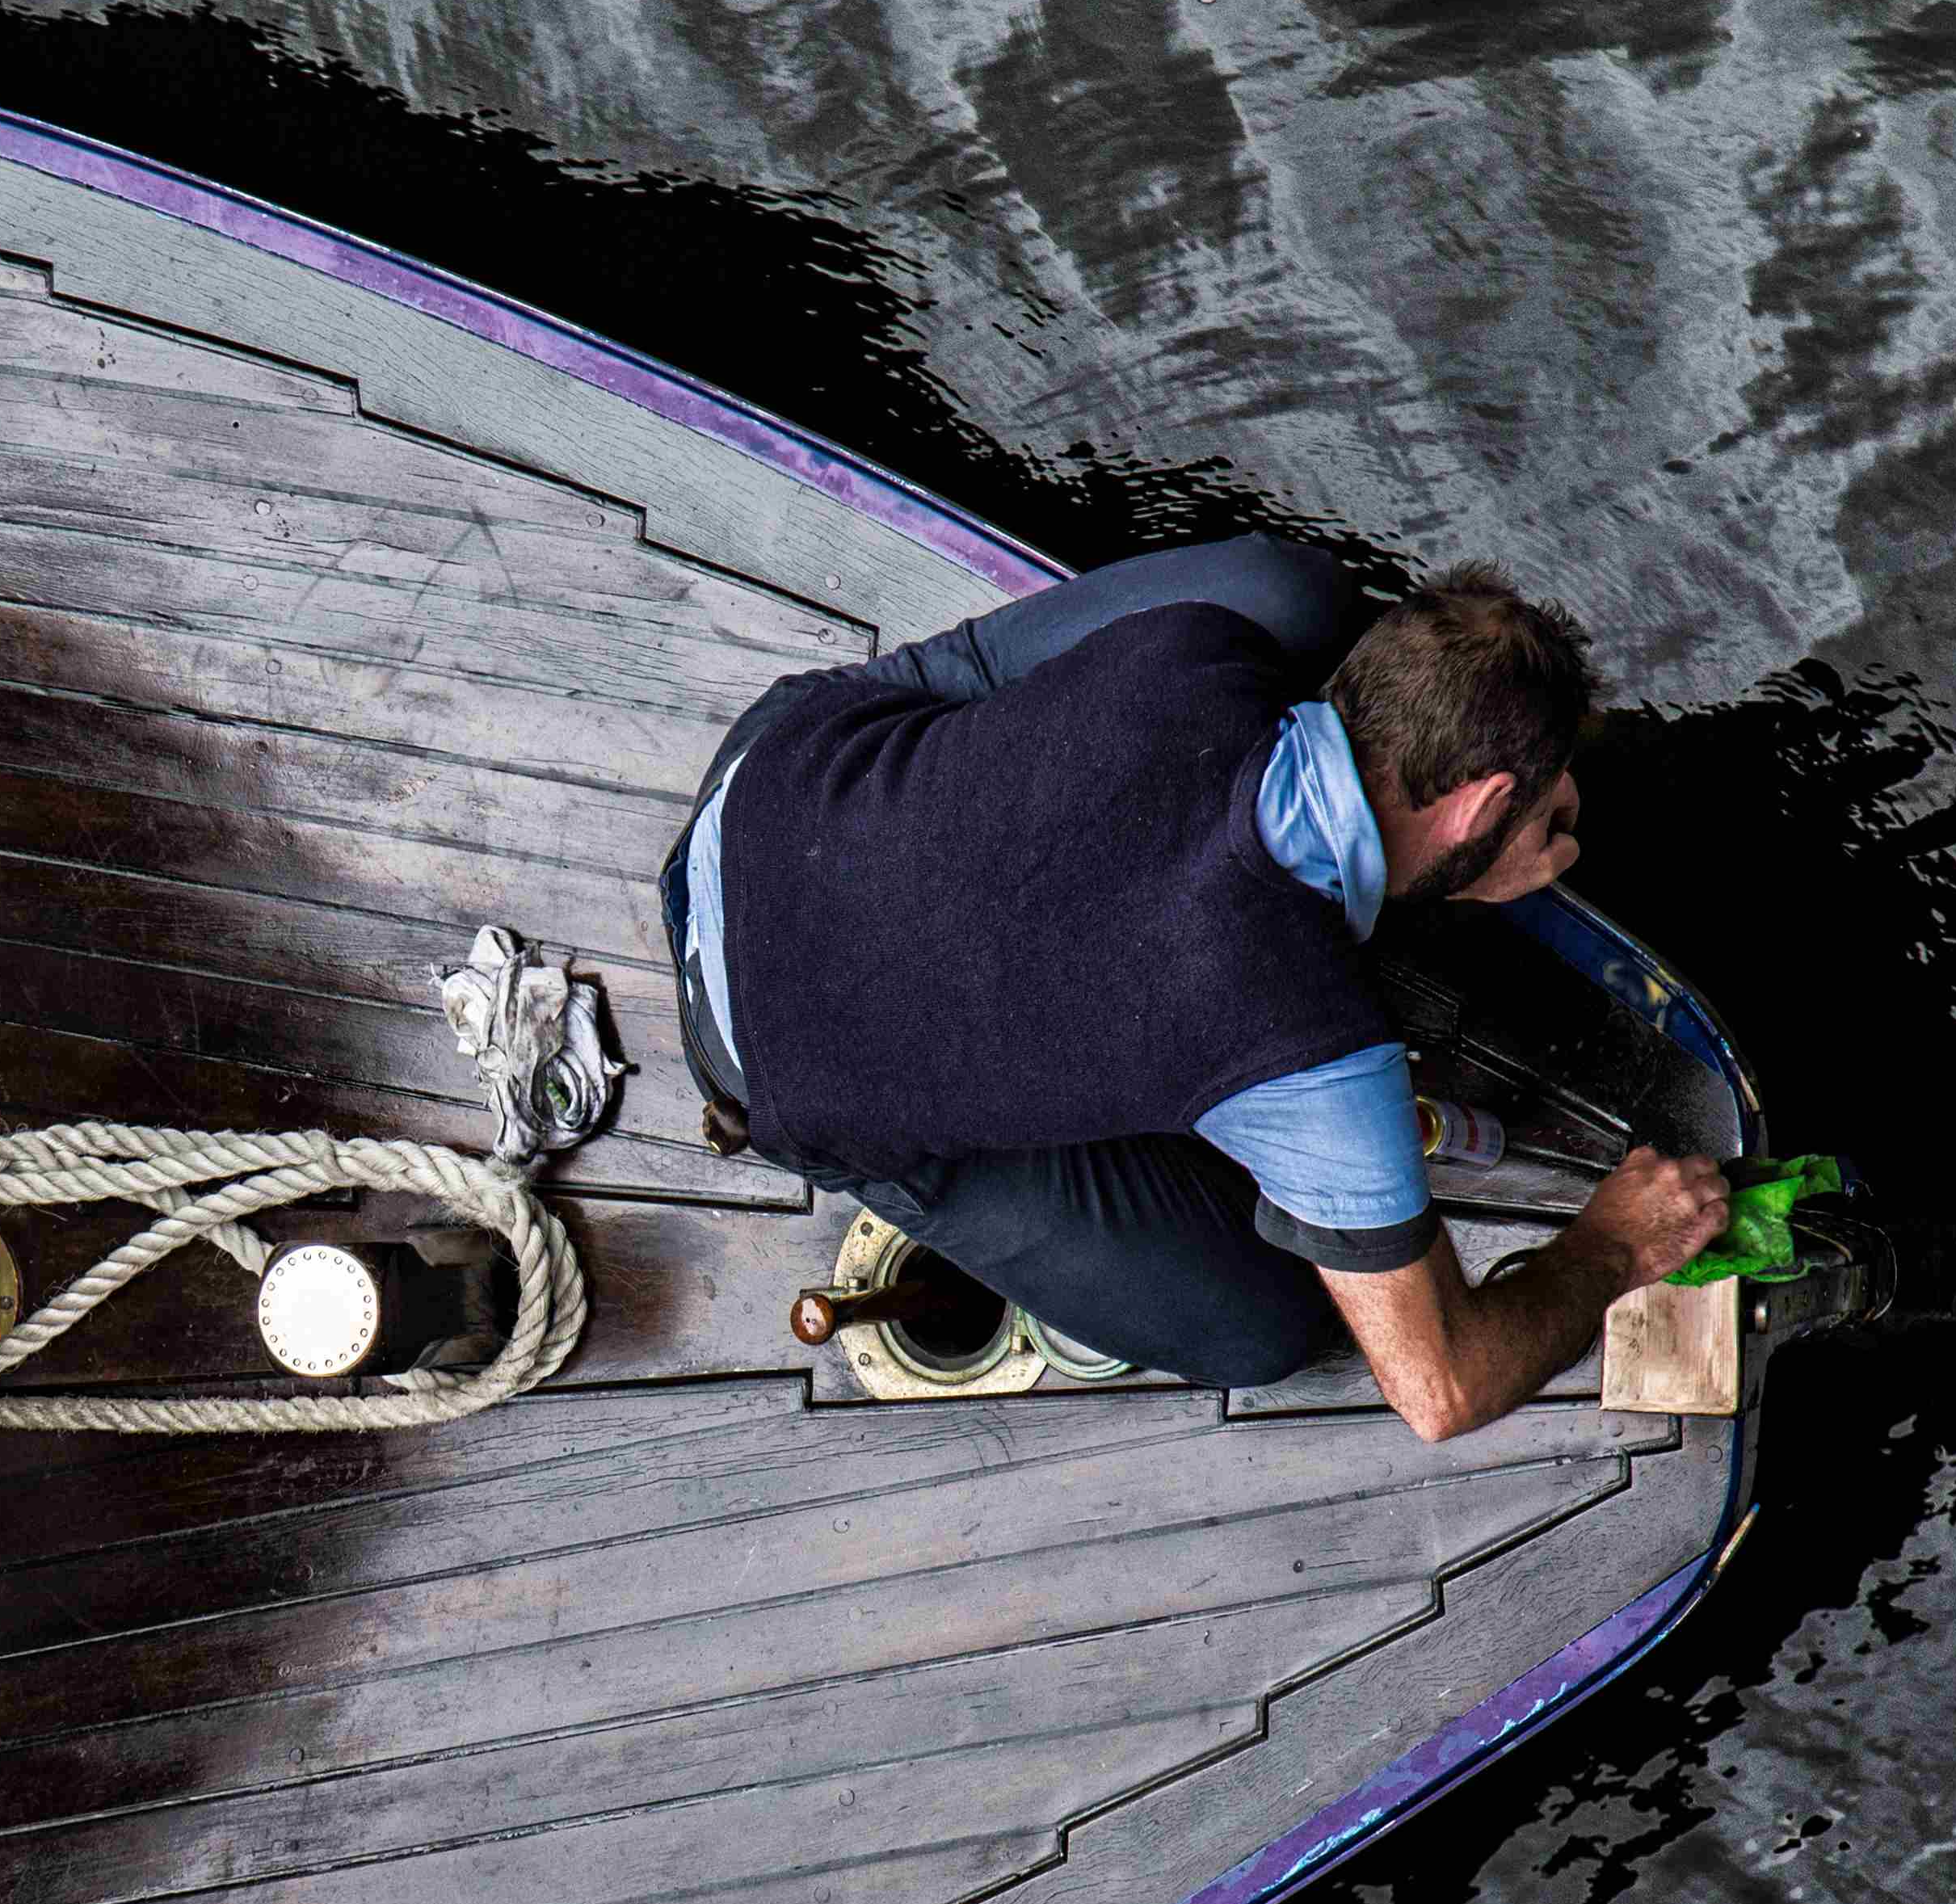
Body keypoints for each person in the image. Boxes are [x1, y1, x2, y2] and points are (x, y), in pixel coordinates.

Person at [661, 534, 1729, 1441]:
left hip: (761, 787)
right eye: (1540, 818)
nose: (1555, 840)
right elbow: (1439, 1388)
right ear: (1479, 803)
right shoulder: (1310, 1047)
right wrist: (1612, 1245)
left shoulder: (1200, 639)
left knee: (1287, 585)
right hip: (767, 1064)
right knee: (1256, 1332)